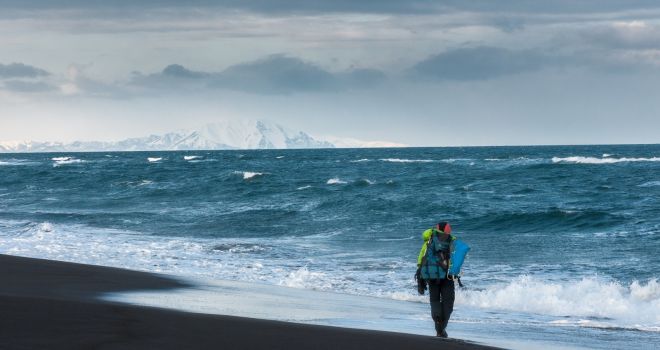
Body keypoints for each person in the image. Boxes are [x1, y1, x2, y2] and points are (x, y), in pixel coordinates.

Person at [415, 221, 456, 338]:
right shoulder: (450, 241)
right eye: (449, 228)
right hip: (447, 276)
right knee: (448, 302)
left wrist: (420, 276)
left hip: (431, 275)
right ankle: (441, 329)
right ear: (446, 230)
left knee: (434, 300)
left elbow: (421, 258)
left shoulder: (429, 240)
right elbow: (455, 260)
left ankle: (438, 322)